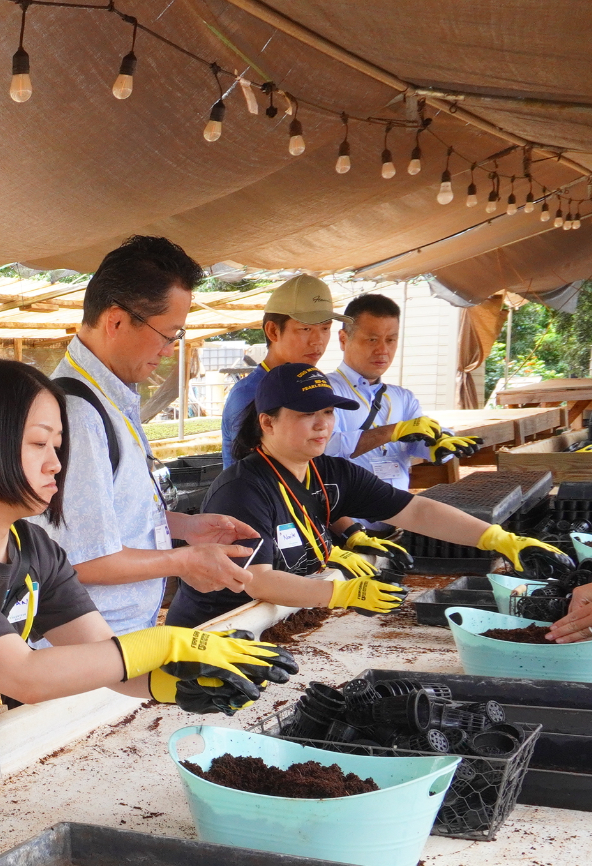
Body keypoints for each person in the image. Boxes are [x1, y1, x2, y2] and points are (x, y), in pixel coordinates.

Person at [0, 358, 294, 785]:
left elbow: (100, 655)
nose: (56, 464)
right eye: (40, 444)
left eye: (59, 447)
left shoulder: (33, 547)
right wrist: (166, 642)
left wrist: (176, 684)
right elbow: (25, 677)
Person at [168, 363, 571, 628]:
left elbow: (417, 512)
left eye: (328, 412)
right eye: (308, 414)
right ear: (267, 422)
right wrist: (341, 591)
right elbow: (257, 581)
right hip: (218, 628)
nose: (322, 424)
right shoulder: (242, 490)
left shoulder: (331, 471)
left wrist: (498, 538)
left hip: (280, 619)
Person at [39, 236, 261, 636]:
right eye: (168, 334)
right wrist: (183, 562)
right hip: (85, 655)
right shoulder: (78, 413)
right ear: (117, 320)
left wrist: (180, 527)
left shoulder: (109, 395)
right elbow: (82, 559)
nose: (170, 349)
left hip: (115, 641)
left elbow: (104, 515)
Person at [324, 293, 482, 525]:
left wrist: (441, 444)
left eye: (391, 340)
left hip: (398, 525)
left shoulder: (402, 398)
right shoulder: (324, 391)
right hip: (347, 531)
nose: (383, 350)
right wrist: (392, 431)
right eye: (372, 340)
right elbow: (324, 448)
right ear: (343, 339)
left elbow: (419, 439)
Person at [218, 274, 337, 466]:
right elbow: (250, 474)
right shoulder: (248, 394)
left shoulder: (314, 384)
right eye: (305, 329)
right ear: (273, 331)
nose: (318, 341)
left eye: (325, 328)